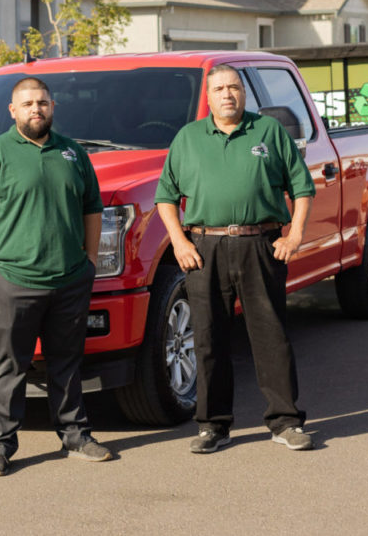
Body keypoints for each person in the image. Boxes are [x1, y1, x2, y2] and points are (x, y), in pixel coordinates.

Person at [154, 64, 316, 454]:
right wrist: (179, 242)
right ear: (207, 98)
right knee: (209, 339)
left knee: (271, 335)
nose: (228, 94)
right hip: (203, 250)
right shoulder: (188, 138)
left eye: (234, 87)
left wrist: (293, 235)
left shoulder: (269, 132)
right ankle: (213, 426)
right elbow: (165, 197)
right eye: (220, 89)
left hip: (260, 244)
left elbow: (302, 187)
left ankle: (284, 422)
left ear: (244, 93)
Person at [0, 76, 113, 477]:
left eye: (43, 102)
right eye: (27, 103)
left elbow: (92, 208)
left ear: (53, 107)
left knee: (66, 362)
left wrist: (90, 261)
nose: (36, 109)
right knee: (10, 366)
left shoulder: (72, 153)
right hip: (15, 280)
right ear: (12, 111)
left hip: (69, 279)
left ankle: (77, 436)